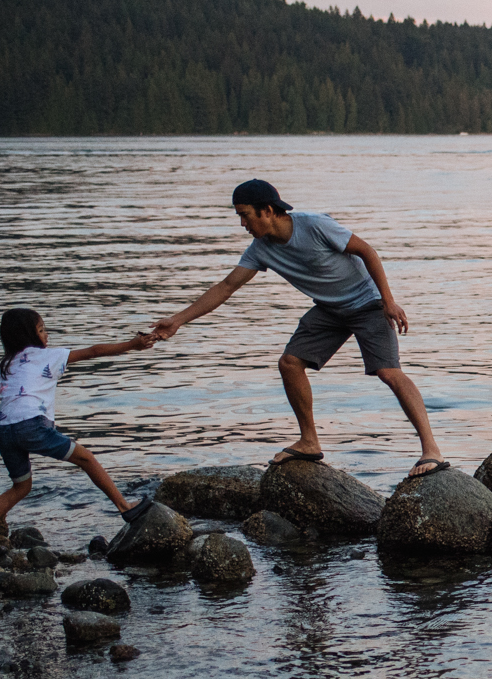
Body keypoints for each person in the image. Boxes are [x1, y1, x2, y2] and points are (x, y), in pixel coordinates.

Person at [147, 178, 449, 476]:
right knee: (290, 363)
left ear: (266, 210)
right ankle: (309, 441)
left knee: (389, 372)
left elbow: (366, 251)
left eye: (244, 215)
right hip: (330, 309)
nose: (242, 224)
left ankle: (431, 449)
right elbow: (226, 287)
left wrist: (388, 300)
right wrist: (177, 321)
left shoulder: (314, 225)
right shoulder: (260, 249)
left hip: (367, 303)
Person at [0, 307, 158, 559]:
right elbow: (93, 352)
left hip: (3, 429)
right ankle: (125, 506)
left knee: (21, 486)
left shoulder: (3, 366)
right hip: (30, 425)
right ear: (29, 335)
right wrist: (132, 345)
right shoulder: (48, 356)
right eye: (42, 330)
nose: (47, 334)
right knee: (87, 459)